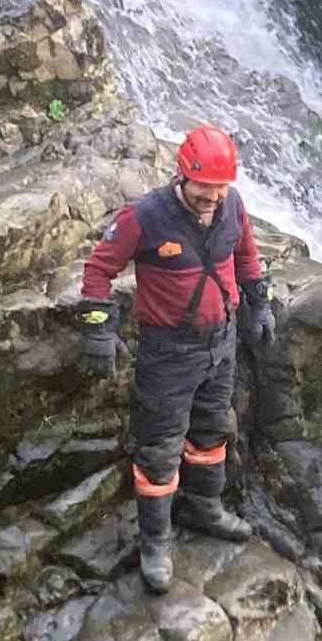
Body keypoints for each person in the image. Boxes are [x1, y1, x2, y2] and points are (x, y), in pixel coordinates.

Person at [75, 124, 276, 594]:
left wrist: (258, 303)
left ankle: (204, 508)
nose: (212, 197)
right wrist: (97, 331)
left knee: (211, 430)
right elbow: (98, 270)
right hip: (168, 352)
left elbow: (247, 257)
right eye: (204, 187)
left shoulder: (234, 207)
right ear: (182, 174)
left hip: (220, 344)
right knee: (159, 446)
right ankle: (155, 543)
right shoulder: (144, 217)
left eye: (220, 188)